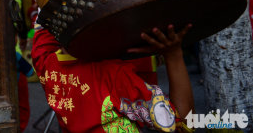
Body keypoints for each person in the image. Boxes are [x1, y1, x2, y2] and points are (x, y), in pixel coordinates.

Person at [32, 23, 194, 132]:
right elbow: (182, 124)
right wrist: (174, 55)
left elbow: (41, 28)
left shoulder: (46, 64)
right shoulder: (113, 75)